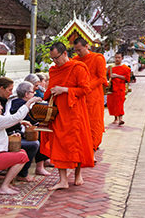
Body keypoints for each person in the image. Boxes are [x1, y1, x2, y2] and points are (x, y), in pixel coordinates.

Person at [40, 42, 94, 191]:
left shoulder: (78, 68)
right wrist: (43, 94)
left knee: (76, 144)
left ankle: (78, 175)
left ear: (64, 54)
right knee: (59, 145)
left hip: (74, 112)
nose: (55, 62)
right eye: (52, 59)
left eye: (56, 58)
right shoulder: (53, 70)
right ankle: (62, 180)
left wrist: (64, 90)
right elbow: (50, 90)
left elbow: (85, 89)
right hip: (58, 113)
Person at [7, 81, 51, 179]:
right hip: (17, 133)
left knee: (43, 133)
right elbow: (26, 119)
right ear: (26, 94)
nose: (34, 93)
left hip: (22, 131)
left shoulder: (20, 102)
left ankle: (43, 163)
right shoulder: (19, 103)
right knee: (38, 138)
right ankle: (31, 170)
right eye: (32, 92)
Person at [72, 37, 108, 153]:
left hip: (93, 96)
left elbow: (102, 78)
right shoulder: (75, 60)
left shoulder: (98, 58)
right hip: (80, 96)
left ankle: (92, 146)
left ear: (87, 46)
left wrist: (87, 87)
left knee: (93, 122)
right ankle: (83, 146)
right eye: (76, 50)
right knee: (81, 122)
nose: (78, 53)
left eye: (80, 50)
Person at [107, 52, 131, 126]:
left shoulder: (125, 68)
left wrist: (117, 76)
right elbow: (107, 77)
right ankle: (115, 118)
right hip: (112, 88)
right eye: (116, 57)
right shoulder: (111, 67)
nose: (117, 59)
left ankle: (121, 119)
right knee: (112, 104)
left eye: (119, 58)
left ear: (122, 58)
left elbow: (127, 79)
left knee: (120, 103)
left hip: (120, 88)